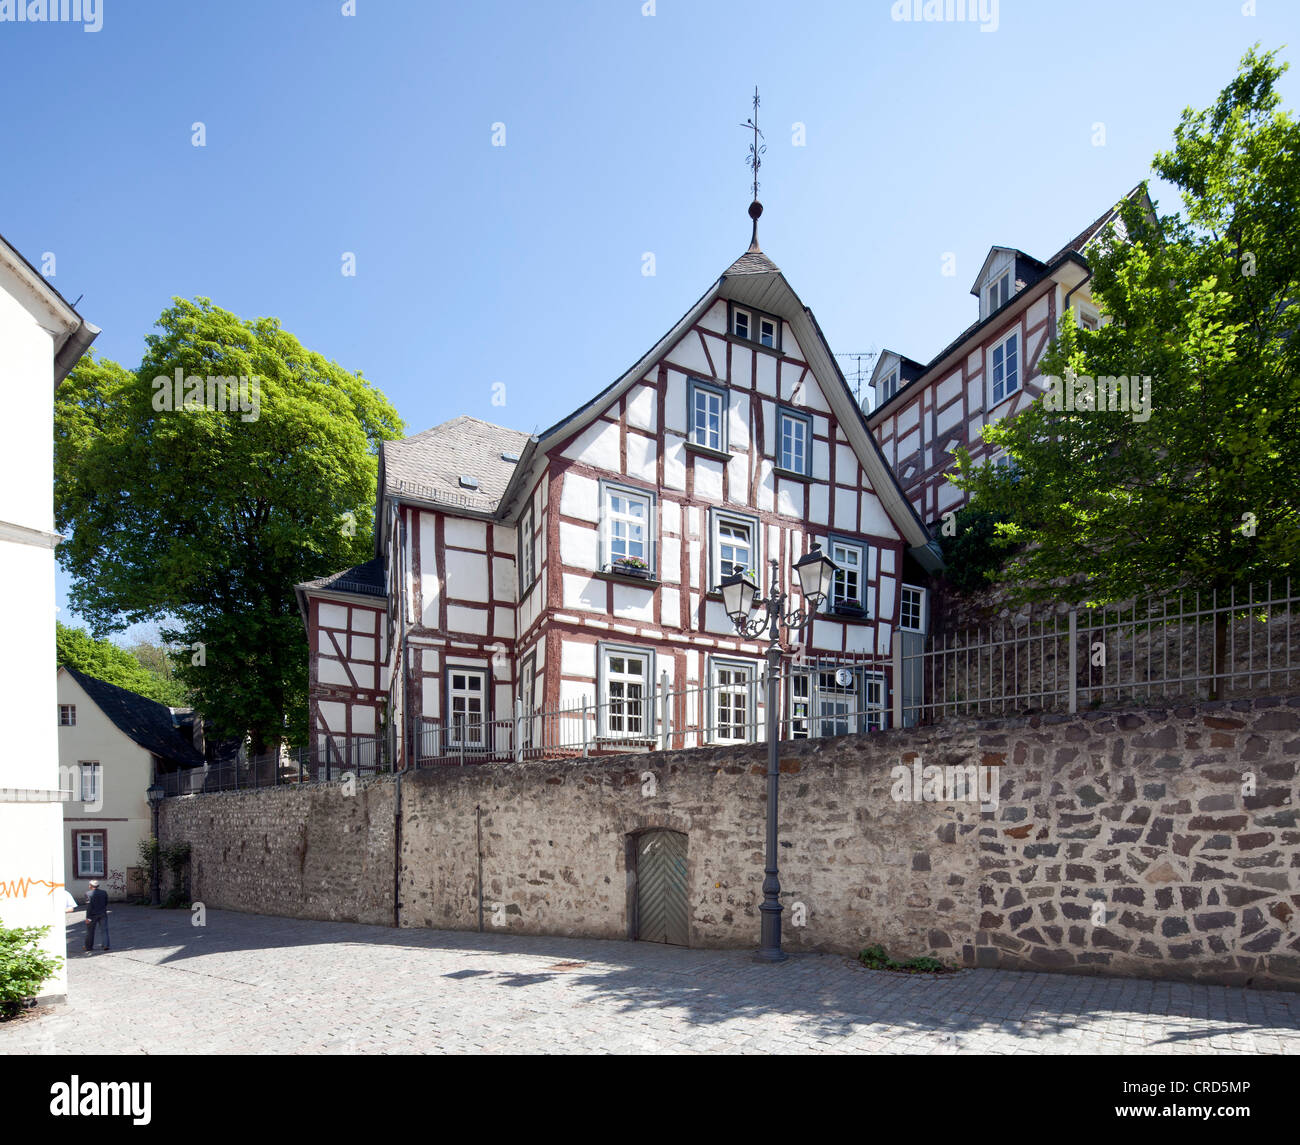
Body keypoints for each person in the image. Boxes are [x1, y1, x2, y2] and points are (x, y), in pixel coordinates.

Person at [83, 880, 109, 953]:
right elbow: (106, 902)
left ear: (90, 886)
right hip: (102, 913)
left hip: (92, 915)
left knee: (90, 931)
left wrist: (87, 917)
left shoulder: (88, 893)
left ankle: (88, 946)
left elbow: (89, 907)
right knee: (104, 930)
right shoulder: (104, 892)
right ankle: (106, 945)